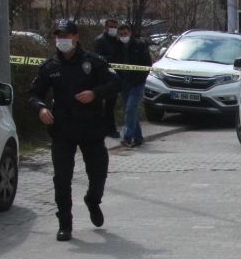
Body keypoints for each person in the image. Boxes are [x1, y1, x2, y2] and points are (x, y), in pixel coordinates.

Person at [29, 19, 121, 242]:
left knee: (98, 174)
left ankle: (93, 200)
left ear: (76, 37)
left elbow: (115, 83)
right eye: (59, 36)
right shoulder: (50, 66)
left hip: (91, 128)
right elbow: (34, 94)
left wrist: (95, 94)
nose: (63, 40)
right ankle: (65, 223)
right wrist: (41, 109)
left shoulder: (93, 62)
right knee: (62, 178)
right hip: (62, 129)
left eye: (67, 36)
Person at [110, 23, 152, 148]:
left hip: (137, 83)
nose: (123, 36)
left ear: (130, 33)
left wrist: (140, 78)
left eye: (125, 34)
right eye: (121, 34)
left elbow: (147, 64)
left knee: (130, 109)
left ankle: (127, 138)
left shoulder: (139, 45)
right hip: (124, 83)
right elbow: (113, 63)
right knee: (131, 111)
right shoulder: (117, 47)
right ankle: (138, 138)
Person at [92, 18, 122, 139]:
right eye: (111, 27)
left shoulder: (116, 41)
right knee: (102, 105)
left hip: (114, 77)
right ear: (106, 27)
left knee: (110, 105)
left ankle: (109, 129)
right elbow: (98, 58)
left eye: (115, 27)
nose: (113, 29)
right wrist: (112, 58)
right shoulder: (100, 41)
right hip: (103, 77)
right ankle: (104, 128)